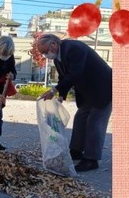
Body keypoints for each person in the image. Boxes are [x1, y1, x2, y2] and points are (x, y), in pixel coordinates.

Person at [38, 33, 112, 172]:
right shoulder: (57, 59)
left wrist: (54, 91)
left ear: (53, 44)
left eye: (44, 51)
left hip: (104, 88)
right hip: (88, 91)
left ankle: (91, 159)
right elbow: (63, 78)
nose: (44, 55)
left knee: (95, 122)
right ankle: (76, 151)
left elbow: (75, 73)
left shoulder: (74, 48)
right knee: (80, 118)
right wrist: (61, 95)